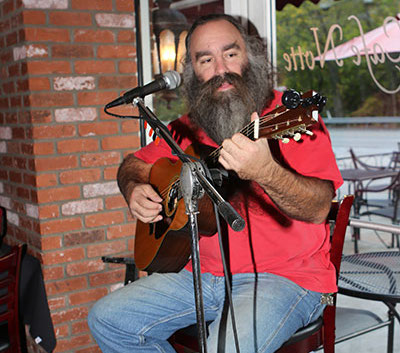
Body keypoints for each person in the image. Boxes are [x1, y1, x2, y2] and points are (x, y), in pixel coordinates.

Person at [88, 13, 343, 353]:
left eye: (231, 53)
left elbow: (318, 209)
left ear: (249, 57)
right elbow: (133, 164)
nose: (220, 68)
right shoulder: (185, 127)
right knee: (107, 319)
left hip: (285, 278)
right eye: (206, 60)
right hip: (201, 276)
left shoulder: (289, 115)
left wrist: (266, 171)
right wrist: (134, 187)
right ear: (193, 72)